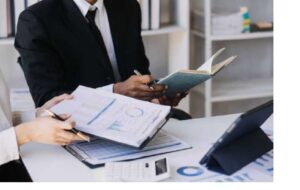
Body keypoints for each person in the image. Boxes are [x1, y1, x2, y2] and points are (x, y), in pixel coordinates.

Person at [15, 0, 185, 108]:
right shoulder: (36, 20)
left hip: (134, 117)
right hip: (79, 130)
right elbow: (48, 100)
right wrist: (116, 92)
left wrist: (155, 97)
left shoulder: (128, 6)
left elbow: (138, 72)